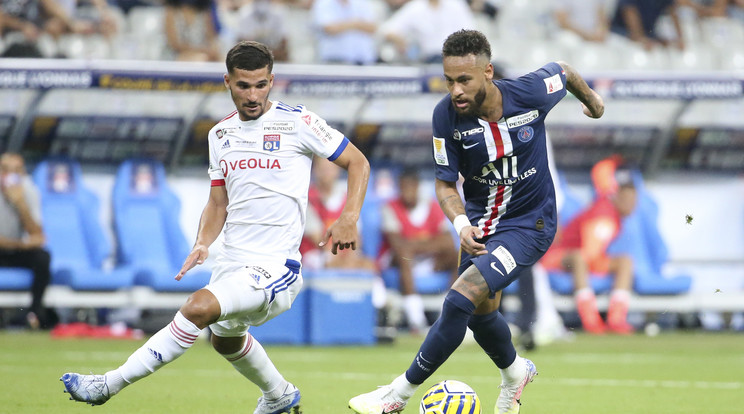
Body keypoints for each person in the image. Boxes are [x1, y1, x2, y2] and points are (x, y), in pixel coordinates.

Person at [60, 40, 371, 414]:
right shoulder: (219, 135)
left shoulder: (298, 121)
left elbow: (358, 162)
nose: (253, 95)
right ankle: (280, 395)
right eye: (244, 85)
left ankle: (107, 384)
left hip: (276, 266)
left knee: (197, 308)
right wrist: (203, 242)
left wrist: (349, 216)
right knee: (226, 342)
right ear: (228, 82)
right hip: (231, 260)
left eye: (261, 85)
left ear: (272, 81)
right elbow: (218, 202)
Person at [348, 29, 604, 414]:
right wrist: (461, 225)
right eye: (449, 80)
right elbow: (445, 184)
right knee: (482, 318)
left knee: (458, 298)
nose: (456, 90)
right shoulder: (445, 117)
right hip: (482, 227)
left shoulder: (531, 93)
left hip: (530, 224)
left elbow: (564, 72)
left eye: (464, 80)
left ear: (487, 72)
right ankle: (516, 373)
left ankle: (396, 396)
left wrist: (594, 102)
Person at [541, 157, 638, 335]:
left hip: (583, 257)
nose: (632, 204)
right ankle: (590, 319)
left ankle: (617, 319)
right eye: (628, 198)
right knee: (580, 258)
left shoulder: (613, 214)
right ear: (617, 195)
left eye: (634, 199)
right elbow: (589, 252)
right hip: (556, 256)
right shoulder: (604, 214)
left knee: (625, 261)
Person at [379, 167, 458, 333]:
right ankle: (416, 319)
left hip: (429, 260)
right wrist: (430, 243)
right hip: (400, 262)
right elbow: (397, 244)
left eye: (410, 187)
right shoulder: (390, 208)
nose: (406, 192)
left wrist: (414, 245)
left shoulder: (433, 207)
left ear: (417, 187)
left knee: (458, 255)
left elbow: (448, 242)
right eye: (402, 188)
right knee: (404, 254)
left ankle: (449, 309)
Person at [0, 152, 51, 330]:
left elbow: (38, 234)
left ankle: (34, 313)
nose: (10, 175)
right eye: (5, 170)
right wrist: (21, 244)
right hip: (8, 247)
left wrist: (20, 204)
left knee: (42, 258)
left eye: (16, 170)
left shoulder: (29, 191)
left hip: (15, 250)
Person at [378, 0, 475, 63]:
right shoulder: (415, 7)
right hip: (429, 60)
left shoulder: (456, 5)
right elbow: (386, 29)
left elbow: (470, 34)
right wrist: (398, 39)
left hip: (457, 57)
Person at [311, 0, 378, 65]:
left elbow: (372, 28)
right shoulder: (323, 3)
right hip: (334, 60)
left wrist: (343, 25)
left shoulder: (362, 2)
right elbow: (330, 29)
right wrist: (357, 23)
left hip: (363, 61)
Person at [609, 0, 685, 50]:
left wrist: (680, 38)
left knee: (667, 47)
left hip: (648, 34)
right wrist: (641, 39)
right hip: (622, 34)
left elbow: (673, 12)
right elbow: (629, 12)